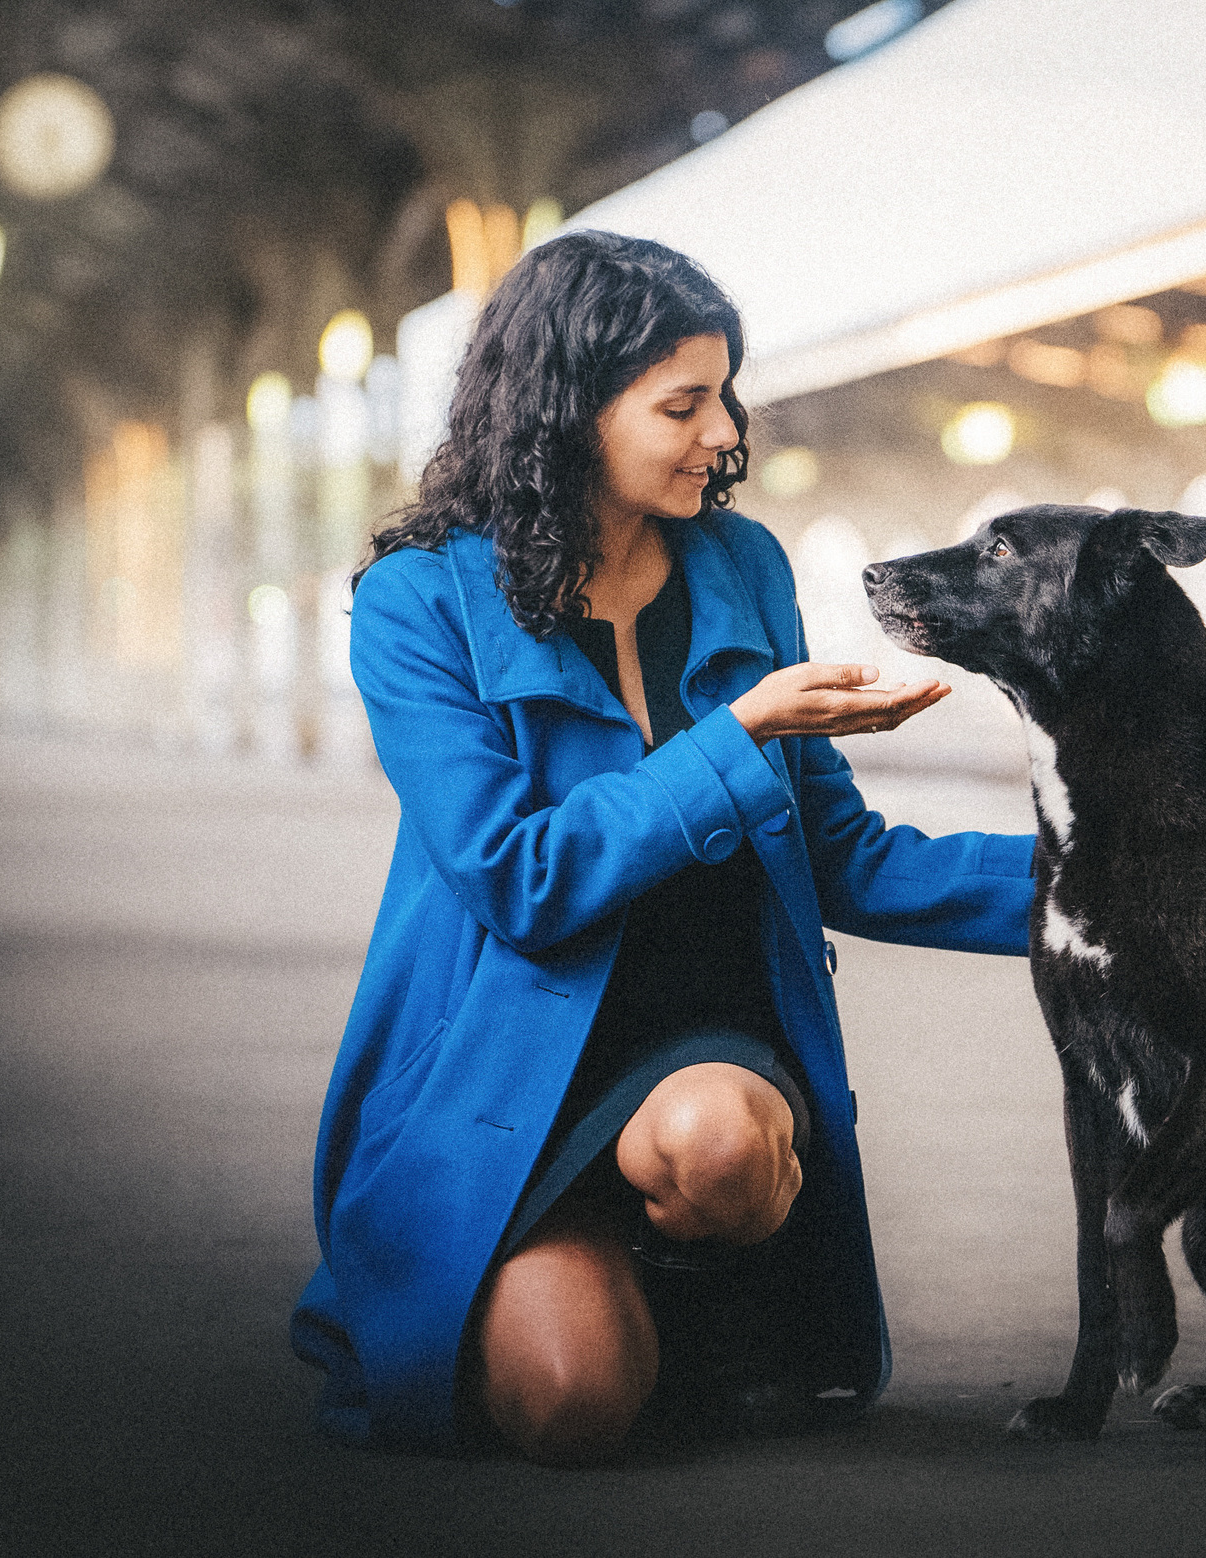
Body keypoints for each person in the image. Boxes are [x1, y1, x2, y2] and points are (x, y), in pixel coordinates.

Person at [289, 231, 1035, 1463]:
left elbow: (840, 855)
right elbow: (519, 877)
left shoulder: (741, 565)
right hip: (506, 1071)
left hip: (703, 1045)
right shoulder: (418, 603)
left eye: (725, 395)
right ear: (566, 412)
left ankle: (687, 1268)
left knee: (723, 1143)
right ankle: (597, 1288)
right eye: (683, 403)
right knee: (571, 1406)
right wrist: (737, 734)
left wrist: (1098, 881)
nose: (724, 433)